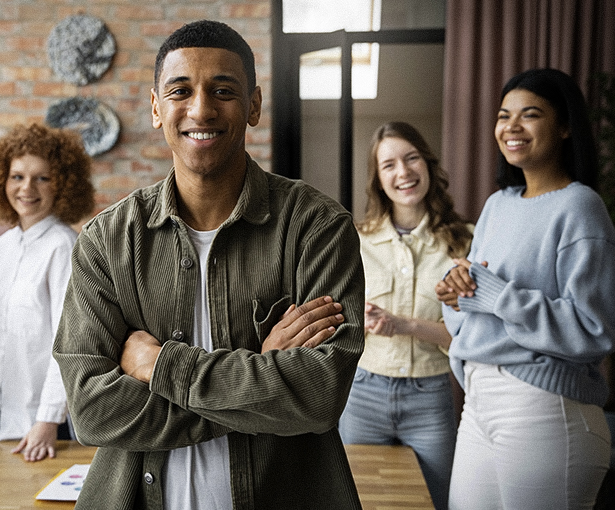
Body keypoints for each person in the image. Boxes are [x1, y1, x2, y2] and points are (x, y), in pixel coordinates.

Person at [52, 20, 366, 509]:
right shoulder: (107, 241)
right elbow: (93, 413)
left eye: (223, 90)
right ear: (157, 108)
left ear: (254, 105)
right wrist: (265, 375)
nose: (201, 108)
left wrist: (158, 365)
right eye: (180, 91)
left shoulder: (317, 228)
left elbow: (320, 396)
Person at [438, 68, 615, 509]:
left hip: (544, 404)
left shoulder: (579, 206)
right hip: (478, 399)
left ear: (565, 125)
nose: (511, 126)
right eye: (503, 115)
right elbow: (475, 310)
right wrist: (456, 295)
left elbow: (594, 330)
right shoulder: (497, 205)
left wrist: (497, 295)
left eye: (529, 114)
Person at [338, 121, 472, 510]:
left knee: (435, 501)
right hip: (362, 394)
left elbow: (471, 338)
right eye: (389, 165)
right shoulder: (355, 240)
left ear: (428, 164)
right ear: (378, 180)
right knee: (358, 501)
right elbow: (333, 326)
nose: (403, 172)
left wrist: (403, 325)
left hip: (431, 397)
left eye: (412, 158)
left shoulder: (465, 240)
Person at [0, 123, 94, 462]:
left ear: (63, 185)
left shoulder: (63, 247)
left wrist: (47, 420)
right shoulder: (3, 246)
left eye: (42, 177)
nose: (27, 188)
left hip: (46, 426)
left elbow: (69, 343)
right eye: (17, 176)